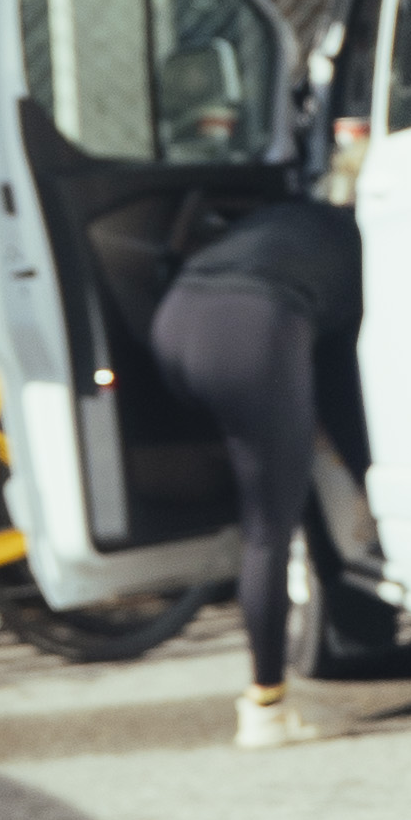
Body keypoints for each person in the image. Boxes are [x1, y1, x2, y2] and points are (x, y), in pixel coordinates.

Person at [146, 191, 373, 748]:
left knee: (259, 484)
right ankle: (266, 706)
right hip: (250, 331)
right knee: (268, 529)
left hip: (175, 321)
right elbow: (341, 386)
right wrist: (367, 480)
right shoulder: (364, 246)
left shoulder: (294, 214)